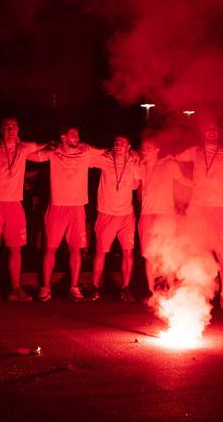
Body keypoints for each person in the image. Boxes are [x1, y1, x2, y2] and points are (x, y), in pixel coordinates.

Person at [175, 120, 223, 308]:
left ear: (219, 132)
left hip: (220, 208)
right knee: (194, 250)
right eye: (209, 130)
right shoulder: (195, 151)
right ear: (203, 132)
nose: (212, 133)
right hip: (198, 207)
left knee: (222, 252)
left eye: (215, 130)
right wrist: (184, 182)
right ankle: (193, 292)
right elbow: (173, 159)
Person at [30, 126, 104, 302]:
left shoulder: (85, 152)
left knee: (76, 249)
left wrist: (89, 146)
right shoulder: (53, 153)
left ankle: (74, 287)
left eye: (78, 135)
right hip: (56, 206)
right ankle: (46, 287)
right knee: (50, 248)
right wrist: (47, 145)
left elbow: (106, 151)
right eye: (73, 135)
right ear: (63, 137)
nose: (77, 138)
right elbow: (27, 155)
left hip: (77, 207)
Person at [0, 117, 45, 303]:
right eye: (7, 127)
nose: (11, 130)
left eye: (14, 127)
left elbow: (42, 146)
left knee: (15, 248)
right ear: (1, 130)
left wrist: (56, 143)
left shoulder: (23, 148)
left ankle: (15, 289)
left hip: (15, 203)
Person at [136, 135, 191, 294]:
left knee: (168, 252)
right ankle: (151, 290)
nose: (145, 151)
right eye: (143, 149)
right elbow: (133, 182)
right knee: (149, 255)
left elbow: (183, 181)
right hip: (147, 214)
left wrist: (200, 184)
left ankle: (171, 287)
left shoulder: (168, 164)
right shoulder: (141, 167)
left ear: (157, 150)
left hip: (165, 214)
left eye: (149, 148)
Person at [91, 134, 141, 301]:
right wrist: (103, 151)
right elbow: (87, 159)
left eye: (123, 143)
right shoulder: (104, 160)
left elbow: (135, 184)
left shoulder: (133, 162)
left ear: (128, 147)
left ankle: (125, 288)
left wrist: (136, 156)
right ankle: (95, 288)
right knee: (101, 252)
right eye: (116, 143)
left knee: (128, 251)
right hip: (106, 212)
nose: (119, 145)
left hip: (126, 214)